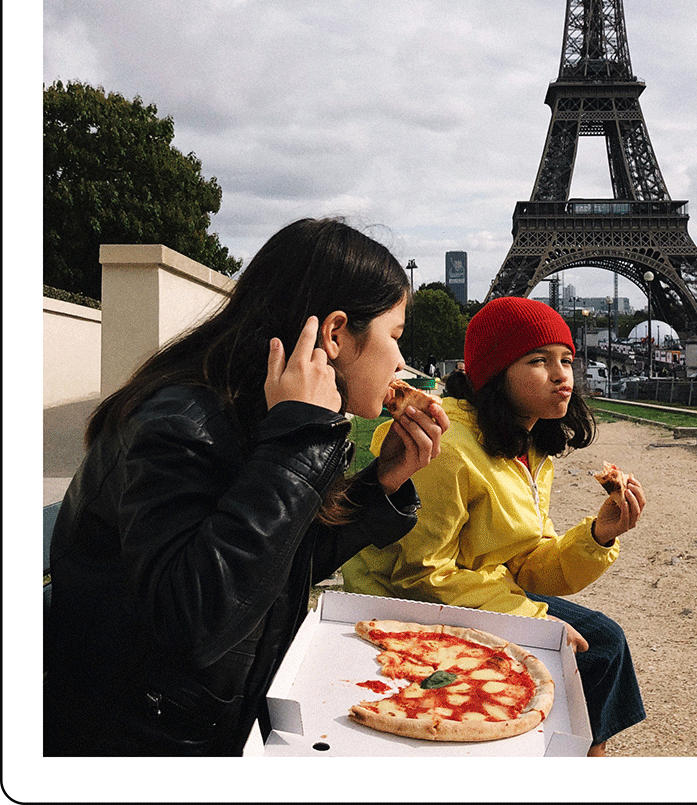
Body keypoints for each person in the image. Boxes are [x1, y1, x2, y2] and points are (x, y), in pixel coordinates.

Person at [43, 218, 449, 756]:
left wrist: (383, 481)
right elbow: (195, 623)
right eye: (393, 336)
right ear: (335, 334)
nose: (400, 362)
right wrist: (297, 446)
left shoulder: (248, 412)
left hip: (205, 721)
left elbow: (275, 564)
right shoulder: (178, 424)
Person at [342, 296, 646, 756]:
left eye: (566, 360)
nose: (561, 375)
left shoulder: (528, 449)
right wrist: (536, 623)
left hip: (470, 592)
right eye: (538, 361)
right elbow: (420, 574)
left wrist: (598, 535)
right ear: (495, 373)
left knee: (602, 644)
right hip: (404, 603)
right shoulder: (448, 448)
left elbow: (525, 564)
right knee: (594, 650)